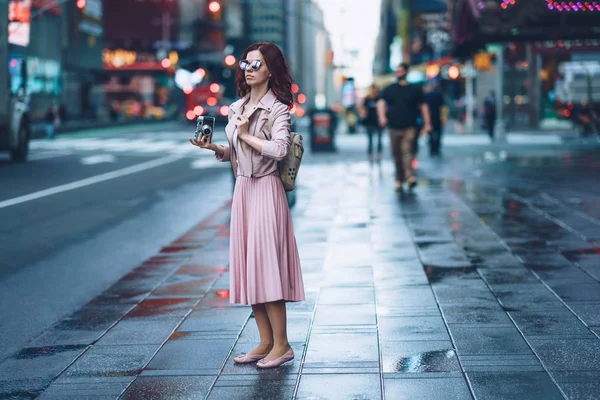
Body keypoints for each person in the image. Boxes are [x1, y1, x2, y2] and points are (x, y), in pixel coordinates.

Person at [189, 42, 304, 369]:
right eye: (246, 65)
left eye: (257, 64)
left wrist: (246, 135)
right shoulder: (237, 105)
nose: (249, 69)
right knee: (251, 265)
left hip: (267, 190)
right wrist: (217, 148)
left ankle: (282, 345)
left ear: (271, 70)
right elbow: (237, 152)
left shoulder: (278, 108)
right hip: (243, 190)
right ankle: (265, 341)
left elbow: (280, 149)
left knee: (268, 267)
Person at [377, 63, 432, 192]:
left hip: (410, 126)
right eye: (396, 71)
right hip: (394, 126)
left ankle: (410, 176)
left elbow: (424, 106)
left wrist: (427, 123)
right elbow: (381, 102)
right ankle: (399, 179)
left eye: (400, 71)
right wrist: (382, 117)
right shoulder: (389, 89)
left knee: (407, 151)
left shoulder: (415, 89)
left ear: (406, 72)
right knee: (396, 154)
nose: (398, 73)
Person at [358, 84, 383, 162]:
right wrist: (363, 113)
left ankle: (379, 154)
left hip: (378, 122)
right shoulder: (367, 99)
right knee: (370, 140)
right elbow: (362, 108)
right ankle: (370, 155)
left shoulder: (380, 99)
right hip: (369, 122)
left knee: (379, 140)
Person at [424, 82, 445, 157]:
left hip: (430, 118)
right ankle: (437, 149)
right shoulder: (439, 95)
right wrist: (444, 118)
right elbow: (443, 107)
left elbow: (424, 108)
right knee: (438, 134)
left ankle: (432, 149)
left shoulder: (426, 96)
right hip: (437, 117)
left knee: (430, 135)